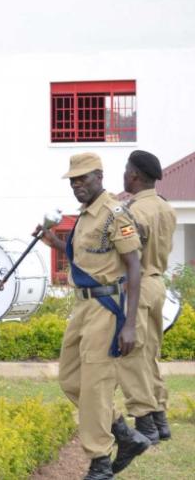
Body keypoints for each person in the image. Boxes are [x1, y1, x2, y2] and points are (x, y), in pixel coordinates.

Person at [38, 153, 149, 479]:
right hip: (83, 307)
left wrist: (129, 324)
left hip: (107, 308)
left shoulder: (116, 214)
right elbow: (89, 259)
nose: (77, 185)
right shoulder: (86, 216)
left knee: (97, 386)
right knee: (71, 380)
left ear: (99, 176)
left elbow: (133, 267)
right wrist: (56, 242)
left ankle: (100, 462)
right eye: (73, 180)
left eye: (83, 178)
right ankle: (125, 435)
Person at [117, 150, 177, 445]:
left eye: (126, 171)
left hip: (136, 287)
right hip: (157, 285)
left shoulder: (133, 211)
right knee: (148, 354)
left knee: (130, 356)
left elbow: (128, 256)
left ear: (135, 175)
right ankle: (160, 418)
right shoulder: (165, 207)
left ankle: (145, 422)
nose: (124, 175)